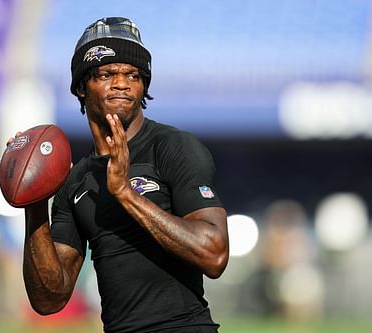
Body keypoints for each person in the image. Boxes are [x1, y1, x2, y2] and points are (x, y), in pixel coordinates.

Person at [21, 17, 229, 333]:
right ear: (80, 86)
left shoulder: (173, 147)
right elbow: (50, 299)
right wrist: (33, 202)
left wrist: (126, 195)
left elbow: (214, 253)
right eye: (106, 74)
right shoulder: (76, 180)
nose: (122, 83)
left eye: (133, 74)